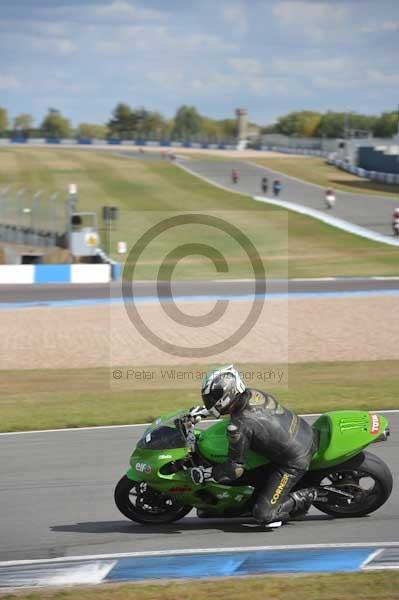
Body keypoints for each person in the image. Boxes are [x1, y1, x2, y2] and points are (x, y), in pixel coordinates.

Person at [191, 365, 317, 527]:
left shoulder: (239, 425)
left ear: (227, 393)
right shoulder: (251, 394)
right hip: (302, 431)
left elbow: (235, 469)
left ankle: (307, 495)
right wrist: (202, 412)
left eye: (213, 397)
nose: (209, 402)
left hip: (294, 461)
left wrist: (207, 474)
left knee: (264, 515)